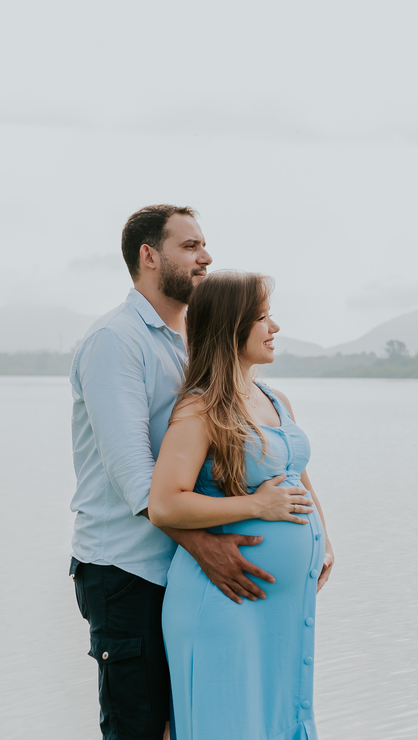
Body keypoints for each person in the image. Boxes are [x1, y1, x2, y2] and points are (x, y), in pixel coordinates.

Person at [70, 205, 306, 740]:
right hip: (128, 570)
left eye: (205, 245)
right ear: (149, 256)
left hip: (188, 573)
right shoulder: (116, 340)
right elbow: (136, 479)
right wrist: (206, 546)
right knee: (141, 729)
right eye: (190, 246)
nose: (206, 257)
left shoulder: (193, 341)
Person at [149, 271, 335, 740]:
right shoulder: (200, 408)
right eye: (262, 318)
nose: (274, 327)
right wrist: (256, 506)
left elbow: (295, 475)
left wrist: (324, 542)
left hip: (280, 607)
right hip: (224, 601)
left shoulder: (276, 399)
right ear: (231, 325)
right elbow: (165, 504)